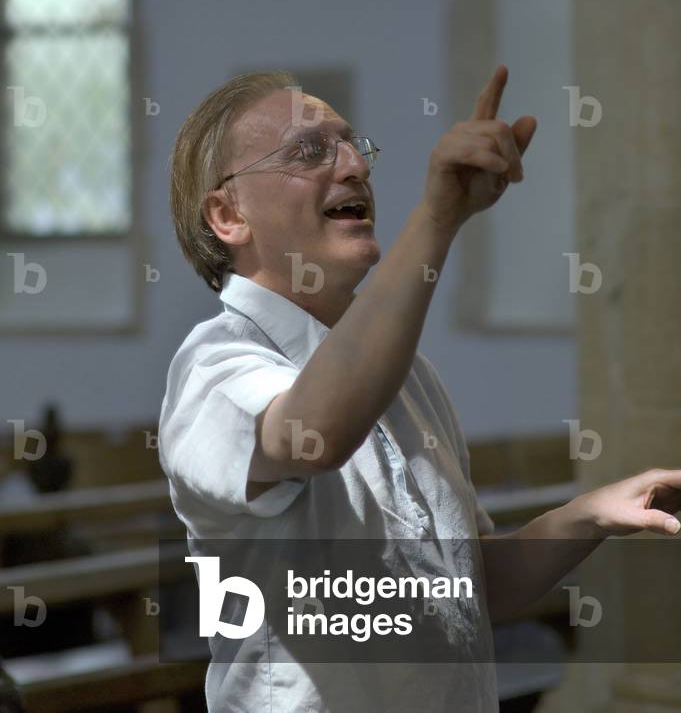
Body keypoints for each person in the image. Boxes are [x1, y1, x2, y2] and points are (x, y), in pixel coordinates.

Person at [159, 64, 681, 713]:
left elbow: (466, 590)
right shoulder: (214, 367)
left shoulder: (407, 373)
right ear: (228, 213)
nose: (355, 165)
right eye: (308, 151)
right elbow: (314, 433)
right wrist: (438, 216)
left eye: (353, 145)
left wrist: (587, 515)